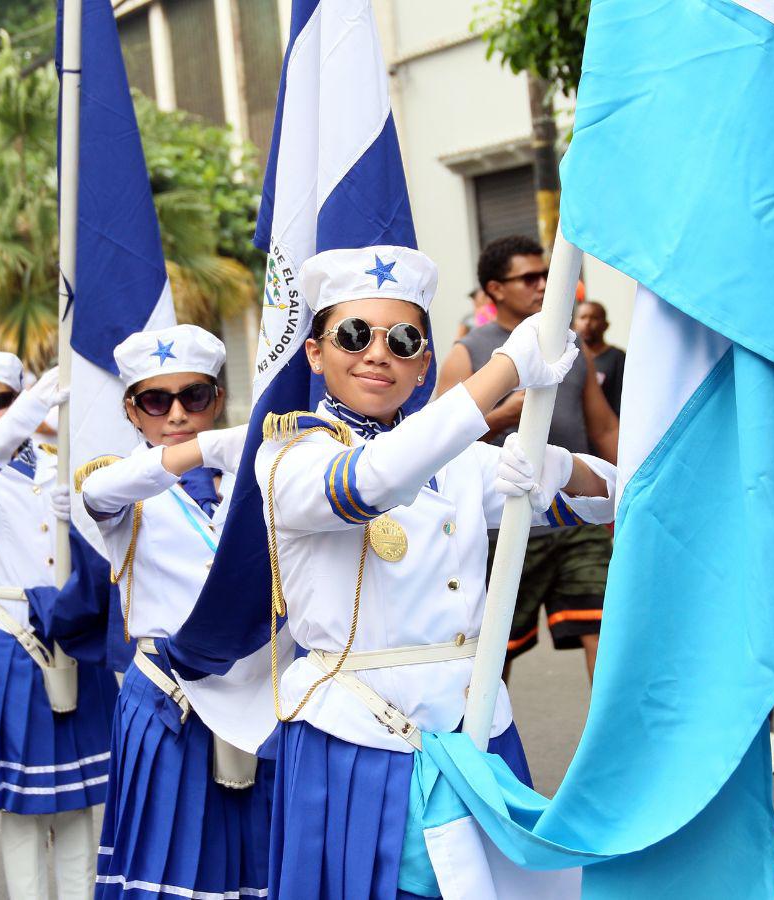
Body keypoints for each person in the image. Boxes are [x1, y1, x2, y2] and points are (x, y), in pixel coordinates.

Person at [258, 245, 615, 896]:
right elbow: (371, 480)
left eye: (402, 340)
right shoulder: (290, 458)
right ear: (315, 352)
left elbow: (608, 497)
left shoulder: (457, 462)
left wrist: (556, 468)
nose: (377, 354)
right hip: (360, 734)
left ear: (424, 366)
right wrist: (505, 368)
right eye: (354, 334)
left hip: (473, 725)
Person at [79, 324, 269, 900]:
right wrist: (207, 448)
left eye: (196, 396)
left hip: (262, 692)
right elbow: (100, 494)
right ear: (132, 411)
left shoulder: (259, 473)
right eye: (157, 401)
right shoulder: (118, 479)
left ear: (219, 398)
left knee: (262, 863)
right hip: (171, 694)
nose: (178, 414)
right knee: (170, 869)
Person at [0, 350, 116, 900]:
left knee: (79, 795)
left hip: (72, 636)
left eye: (2, 399)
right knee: (20, 802)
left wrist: (85, 513)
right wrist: (33, 403)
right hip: (12, 640)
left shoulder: (63, 464)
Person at [438, 235, 619, 680]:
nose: (543, 284)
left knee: (605, 628)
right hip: (506, 522)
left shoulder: (571, 348)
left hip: (576, 517)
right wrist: (504, 414)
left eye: (546, 274)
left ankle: (610, 748)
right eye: (529, 277)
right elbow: (436, 445)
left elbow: (605, 429)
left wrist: (635, 491)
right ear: (496, 288)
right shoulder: (469, 352)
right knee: (495, 655)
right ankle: (485, 743)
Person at [573, 299, 625, 415]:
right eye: (583, 317)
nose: (587, 322)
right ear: (575, 323)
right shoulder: (569, 357)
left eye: (594, 318)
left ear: (605, 325)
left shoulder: (617, 357)